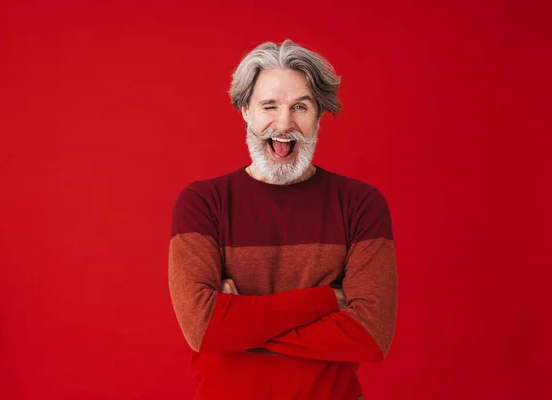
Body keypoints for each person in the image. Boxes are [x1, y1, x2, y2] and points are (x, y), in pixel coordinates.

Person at [168, 39, 397, 400]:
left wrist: (240, 325)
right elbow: (204, 330)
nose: (285, 122)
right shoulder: (202, 204)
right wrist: (326, 302)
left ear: (319, 114)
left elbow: (371, 336)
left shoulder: (360, 204)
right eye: (269, 105)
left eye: (300, 106)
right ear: (246, 110)